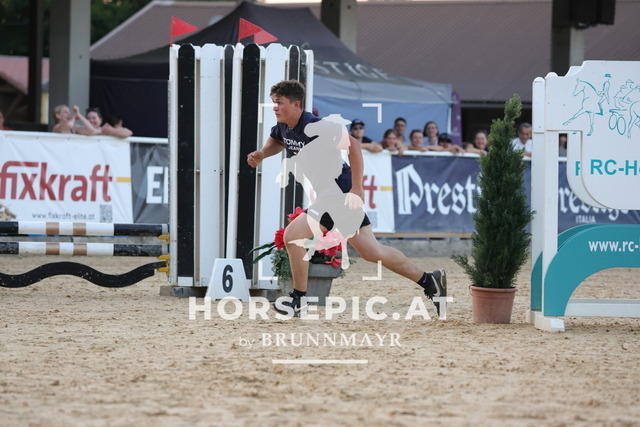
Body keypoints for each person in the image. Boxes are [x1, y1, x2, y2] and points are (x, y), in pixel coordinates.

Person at [246, 80, 446, 317]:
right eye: (274, 103)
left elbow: (354, 146)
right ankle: (430, 281)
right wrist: (262, 153)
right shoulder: (284, 126)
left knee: (293, 236)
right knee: (372, 252)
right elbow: (277, 140)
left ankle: (299, 298)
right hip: (330, 194)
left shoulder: (316, 125)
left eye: (279, 103)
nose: (275, 107)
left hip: (339, 193)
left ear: (296, 104)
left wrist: (357, 187)